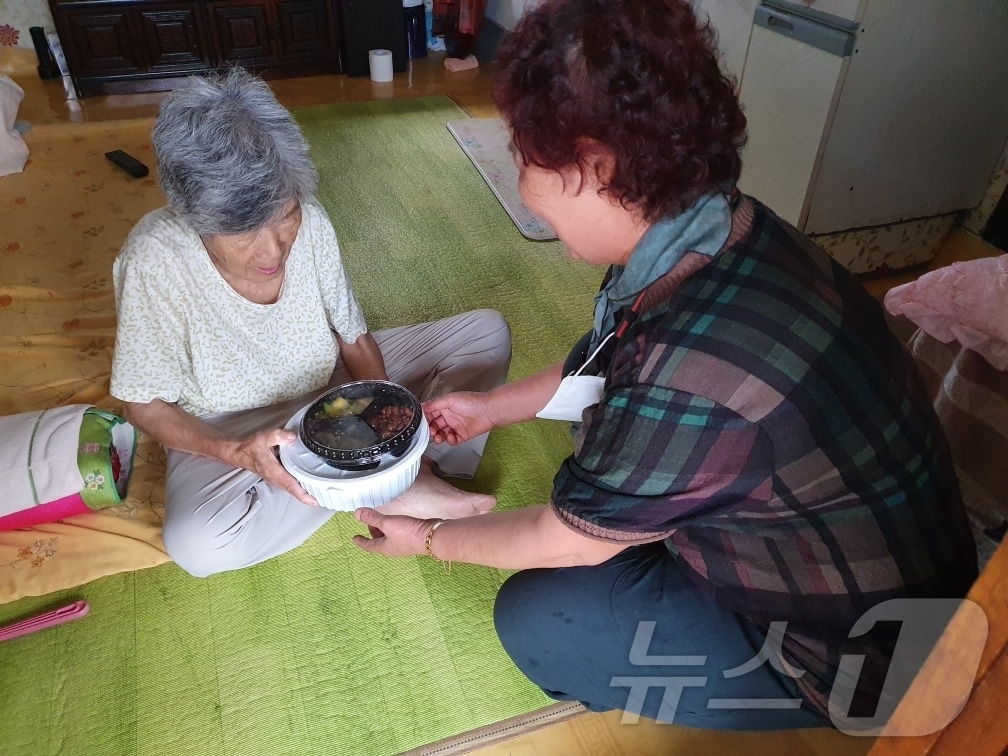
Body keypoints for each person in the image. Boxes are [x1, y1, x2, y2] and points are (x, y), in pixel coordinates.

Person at [352, 0, 979, 732]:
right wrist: (495, 409)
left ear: (597, 165)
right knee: (599, 498)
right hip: (885, 563)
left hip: (864, 659)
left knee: (539, 620)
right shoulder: (724, 226)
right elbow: (611, 354)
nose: (517, 171)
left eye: (523, 152)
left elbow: (568, 538)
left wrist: (428, 539)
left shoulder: (693, 363)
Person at [110, 67, 510, 578]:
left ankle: (413, 472)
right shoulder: (153, 260)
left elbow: (353, 334)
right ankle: (390, 489)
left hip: (331, 389)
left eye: (285, 216)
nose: (273, 249)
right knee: (199, 543)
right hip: (231, 425)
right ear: (195, 219)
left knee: (485, 334)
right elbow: (142, 401)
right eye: (243, 234)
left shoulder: (313, 222)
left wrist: (386, 426)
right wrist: (233, 451)